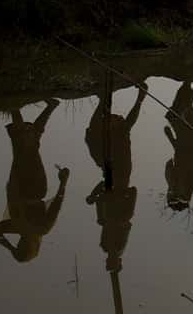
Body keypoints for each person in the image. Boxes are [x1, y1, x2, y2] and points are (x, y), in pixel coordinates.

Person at [0, 100, 69, 262]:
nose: (20, 243)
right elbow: (55, 206)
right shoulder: (35, 228)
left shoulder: (20, 227)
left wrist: (63, 183)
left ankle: (45, 106)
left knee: (27, 146)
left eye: (17, 246)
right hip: (32, 187)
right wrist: (62, 183)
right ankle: (15, 107)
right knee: (26, 146)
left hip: (24, 187)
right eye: (21, 246)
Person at [85, 85, 145, 277]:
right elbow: (133, 192)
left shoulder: (106, 240)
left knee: (92, 136)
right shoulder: (122, 223)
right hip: (119, 171)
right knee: (105, 134)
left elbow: (102, 196)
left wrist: (94, 197)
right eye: (113, 259)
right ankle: (122, 98)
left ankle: (104, 99)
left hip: (110, 173)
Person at [163, 80, 193, 211]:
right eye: (174, 195)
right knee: (178, 113)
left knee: (174, 112)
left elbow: (172, 161)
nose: (171, 193)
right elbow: (191, 157)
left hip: (183, 142)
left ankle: (188, 83)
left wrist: (170, 137)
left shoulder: (174, 181)